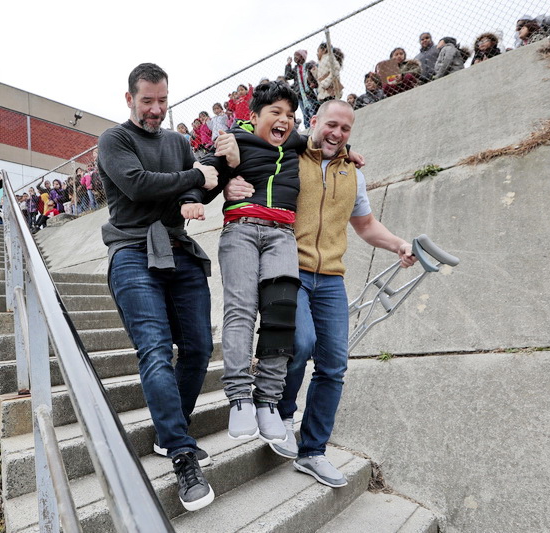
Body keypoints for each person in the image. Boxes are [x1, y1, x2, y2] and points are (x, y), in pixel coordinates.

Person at [222, 100, 415, 489]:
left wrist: (397, 244)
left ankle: (313, 452)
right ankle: (280, 408)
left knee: (334, 366)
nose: (337, 134)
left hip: (330, 278)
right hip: (289, 265)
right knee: (301, 341)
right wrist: (229, 184)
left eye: (345, 129)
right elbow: (256, 156)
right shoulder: (291, 153)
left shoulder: (352, 174)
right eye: (331, 125)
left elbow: (364, 224)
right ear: (314, 123)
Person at [96, 62, 219, 512]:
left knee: (201, 347)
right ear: (129, 99)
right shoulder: (115, 139)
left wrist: (203, 188)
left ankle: (173, 432)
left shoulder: (178, 141)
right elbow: (137, 186)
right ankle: (183, 456)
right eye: (147, 101)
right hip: (132, 252)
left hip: (179, 248)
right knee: (154, 349)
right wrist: (195, 178)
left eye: (163, 100)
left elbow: (201, 189)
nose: (156, 109)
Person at [178, 81, 307, 445]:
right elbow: (207, 172)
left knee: (281, 313)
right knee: (241, 310)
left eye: (290, 116)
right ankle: (238, 397)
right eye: (276, 114)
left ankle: (267, 400)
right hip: (242, 230)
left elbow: (324, 141)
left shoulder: (294, 142)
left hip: (282, 233)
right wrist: (192, 199)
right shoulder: (234, 139)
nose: (284, 121)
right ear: (253, 117)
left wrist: (348, 154)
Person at [285, 50, 318, 129]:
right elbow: (287, 76)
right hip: (300, 94)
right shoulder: (295, 69)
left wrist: (314, 83)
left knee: (312, 110)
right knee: (305, 112)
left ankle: (316, 126)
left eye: (297, 55)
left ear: (302, 57)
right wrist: (288, 64)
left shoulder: (308, 66)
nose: (295, 57)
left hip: (310, 93)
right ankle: (307, 128)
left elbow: (315, 75)